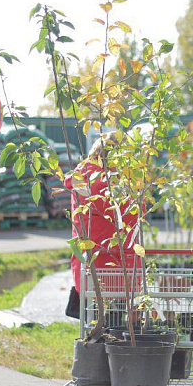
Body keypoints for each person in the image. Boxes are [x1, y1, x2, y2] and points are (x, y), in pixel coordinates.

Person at [64, 135, 140, 323]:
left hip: (89, 264)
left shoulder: (81, 177)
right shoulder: (108, 185)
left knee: (94, 323)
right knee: (113, 326)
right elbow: (134, 213)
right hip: (114, 267)